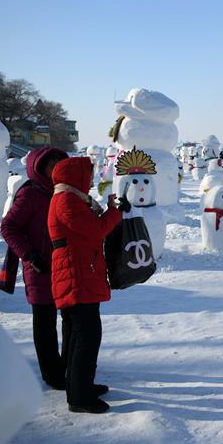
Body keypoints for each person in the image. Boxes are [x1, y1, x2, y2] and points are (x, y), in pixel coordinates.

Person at [48, 157, 125, 413]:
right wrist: (114, 213)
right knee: (86, 335)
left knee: (78, 334)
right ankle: (79, 397)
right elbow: (95, 230)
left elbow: (88, 228)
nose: (91, 180)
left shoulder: (72, 200)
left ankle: (79, 386)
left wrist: (109, 209)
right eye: (88, 175)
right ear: (76, 177)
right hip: (75, 274)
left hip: (79, 271)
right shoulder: (66, 201)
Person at [0, 147, 70, 389]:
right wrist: (29, 255)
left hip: (64, 265)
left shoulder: (64, 191)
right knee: (45, 322)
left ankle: (69, 366)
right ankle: (52, 373)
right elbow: (9, 227)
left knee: (71, 319)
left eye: (60, 166)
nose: (57, 171)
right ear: (40, 167)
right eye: (52, 166)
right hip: (38, 266)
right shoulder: (30, 193)